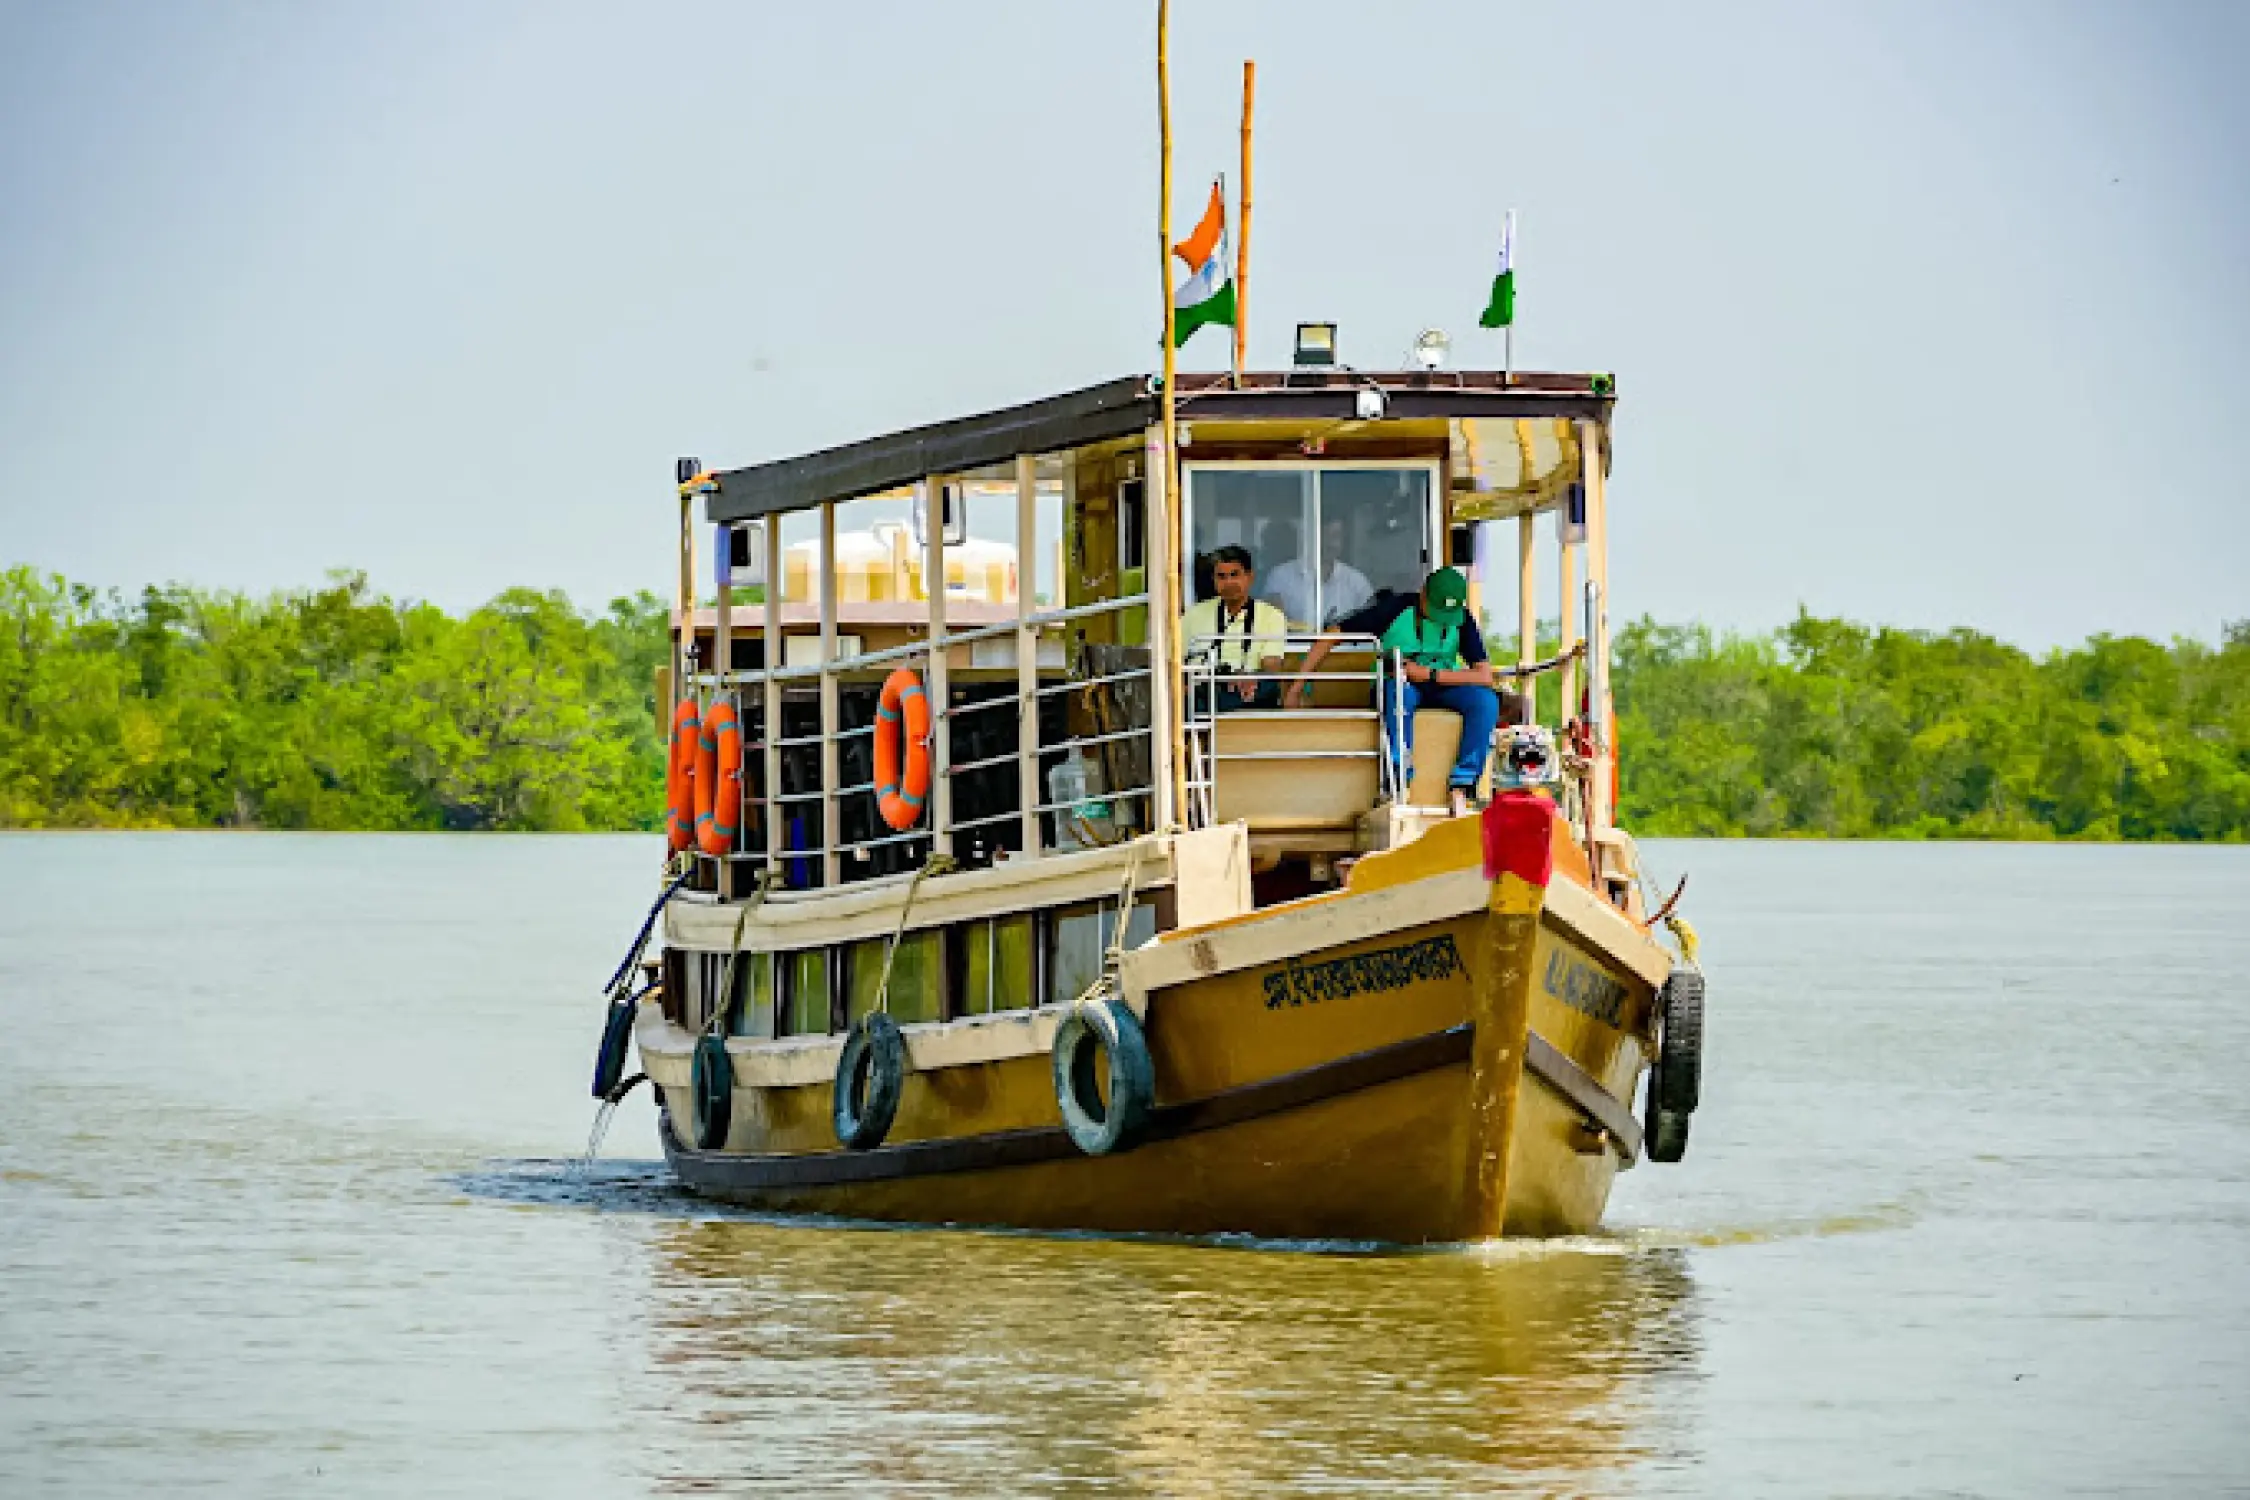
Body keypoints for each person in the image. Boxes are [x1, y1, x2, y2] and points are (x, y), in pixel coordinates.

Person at [1283, 566, 1513, 815]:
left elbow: (1483, 675)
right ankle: (1398, 779)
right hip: (1399, 685)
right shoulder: (1395, 608)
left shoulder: (1461, 618)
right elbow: (1331, 636)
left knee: (1485, 702)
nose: (1440, 618)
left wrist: (1429, 674)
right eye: (1436, 610)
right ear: (1423, 594)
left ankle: (1464, 784)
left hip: (1442, 684)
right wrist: (1297, 687)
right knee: (1399, 693)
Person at [1180, 544, 1288, 712]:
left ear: (1250, 577)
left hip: (1249, 690)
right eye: (1221, 576)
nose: (1228, 582)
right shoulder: (1194, 615)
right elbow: (1174, 662)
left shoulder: (1271, 615)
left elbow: (1272, 665)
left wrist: (1249, 678)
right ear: (1214, 580)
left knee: (1269, 686)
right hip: (1205, 689)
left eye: (1234, 575)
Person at [1263, 514, 1376, 628]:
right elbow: (1271, 629)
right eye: (1325, 536)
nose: (1331, 544)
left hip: (1343, 646)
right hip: (1296, 646)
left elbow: (1372, 623)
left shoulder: (1357, 582)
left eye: (1336, 536)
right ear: (1311, 538)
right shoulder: (1280, 577)